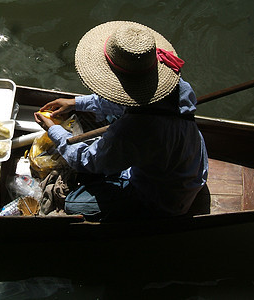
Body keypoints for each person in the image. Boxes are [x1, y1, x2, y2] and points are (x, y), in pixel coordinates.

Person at [34, 21, 208, 221]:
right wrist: (76, 103)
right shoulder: (179, 87)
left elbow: (86, 160)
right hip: (187, 162)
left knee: (73, 203)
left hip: (166, 197)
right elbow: (124, 103)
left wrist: (54, 130)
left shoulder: (134, 130)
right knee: (110, 122)